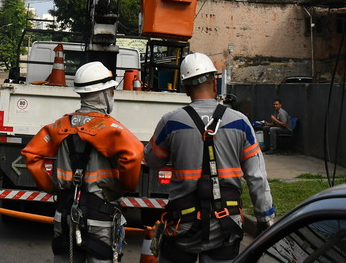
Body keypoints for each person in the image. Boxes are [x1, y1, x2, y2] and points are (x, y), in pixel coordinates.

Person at [145, 53, 274, 262]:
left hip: (182, 224)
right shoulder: (240, 122)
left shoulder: (171, 122)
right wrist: (264, 218)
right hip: (226, 225)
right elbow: (256, 176)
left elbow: (152, 161)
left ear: (186, 89)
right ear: (214, 84)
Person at [21, 61, 143, 262]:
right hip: (101, 216)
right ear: (103, 94)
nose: (112, 95)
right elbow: (135, 154)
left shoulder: (59, 126)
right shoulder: (111, 129)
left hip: (65, 213)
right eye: (111, 91)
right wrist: (123, 187)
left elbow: (31, 154)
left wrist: (50, 187)